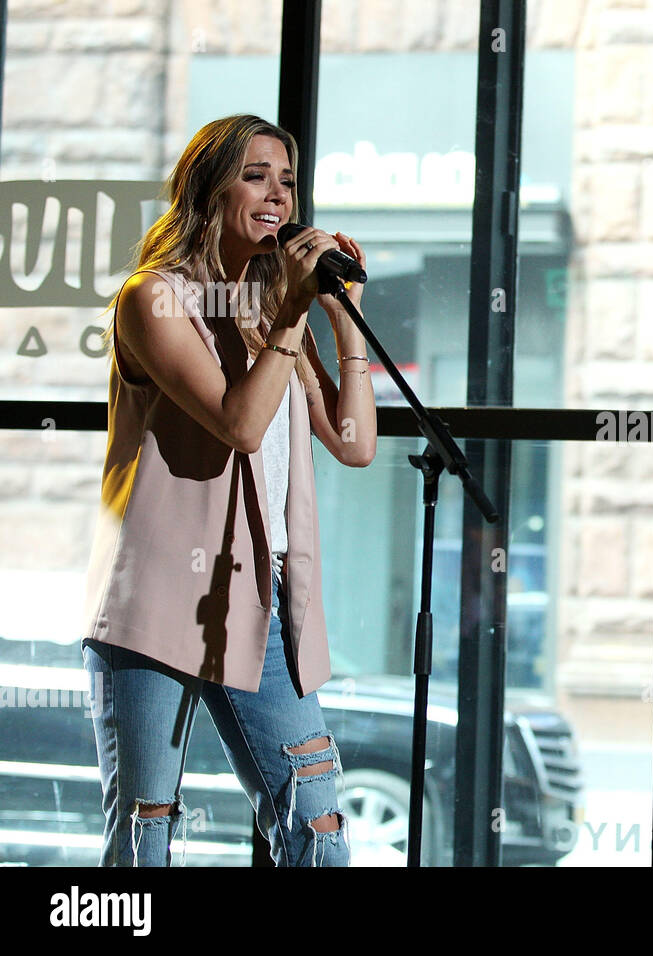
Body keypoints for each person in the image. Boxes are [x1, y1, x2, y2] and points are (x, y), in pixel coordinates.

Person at [81, 114, 377, 865]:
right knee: (147, 830)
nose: (277, 195)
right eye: (256, 175)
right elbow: (240, 426)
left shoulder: (273, 306)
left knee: (318, 824)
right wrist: (289, 315)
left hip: (261, 596)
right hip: (157, 597)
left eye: (287, 179)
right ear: (208, 189)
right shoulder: (155, 299)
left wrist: (344, 322)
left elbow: (354, 444)